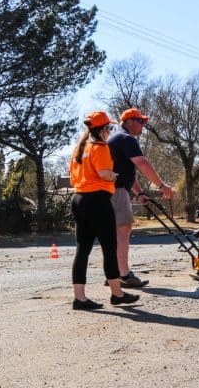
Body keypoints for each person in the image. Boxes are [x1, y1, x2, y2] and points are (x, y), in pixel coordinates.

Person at [69, 111, 139, 310]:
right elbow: (104, 173)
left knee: (82, 250)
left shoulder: (79, 149)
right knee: (109, 248)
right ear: (102, 129)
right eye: (108, 128)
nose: (110, 131)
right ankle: (117, 294)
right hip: (97, 200)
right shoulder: (100, 147)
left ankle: (80, 298)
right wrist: (113, 176)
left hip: (78, 198)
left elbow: (74, 178)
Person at [107, 108, 174, 288]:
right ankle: (124, 276)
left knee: (117, 234)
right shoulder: (127, 139)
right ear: (129, 121)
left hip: (112, 190)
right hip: (116, 191)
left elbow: (128, 172)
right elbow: (142, 164)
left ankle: (114, 274)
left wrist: (140, 193)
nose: (143, 125)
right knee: (123, 232)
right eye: (140, 121)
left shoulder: (118, 137)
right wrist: (162, 186)